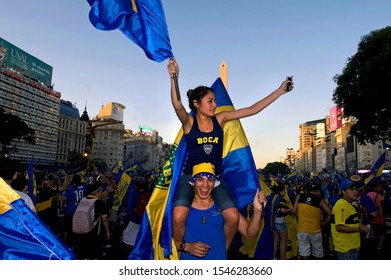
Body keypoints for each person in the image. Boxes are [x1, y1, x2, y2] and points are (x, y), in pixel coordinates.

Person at [167, 58, 293, 250]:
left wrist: (279, 91)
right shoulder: (189, 123)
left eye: (215, 101)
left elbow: (252, 110)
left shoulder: (221, 119)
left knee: (233, 217)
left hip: (214, 178)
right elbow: (177, 105)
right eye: (210, 101)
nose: (215, 104)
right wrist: (174, 76)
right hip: (190, 176)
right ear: (196, 104)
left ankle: (221, 250)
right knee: (178, 216)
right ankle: (181, 246)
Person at [175, 163, 267, 260]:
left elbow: (251, 234)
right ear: (193, 182)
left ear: (214, 183)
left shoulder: (224, 209)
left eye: (210, 180)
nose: (205, 185)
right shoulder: (182, 209)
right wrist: (187, 247)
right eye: (200, 179)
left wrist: (257, 211)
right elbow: (167, 243)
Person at [331, 179, 371, 260]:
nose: (355, 192)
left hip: (352, 248)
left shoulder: (348, 204)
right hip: (346, 250)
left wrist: (360, 227)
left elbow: (350, 223)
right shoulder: (341, 205)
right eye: (352, 189)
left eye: (356, 189)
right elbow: (339, 227)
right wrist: (358, 229)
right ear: (343, 191)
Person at [292, 182, 331, 259]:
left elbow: (293, 211)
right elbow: (329, 212)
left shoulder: (300, 196)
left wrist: (300, 217)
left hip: (302, 229)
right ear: (318, 191)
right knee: (318, 252)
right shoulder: (320, 200)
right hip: (315, 230)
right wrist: (325, 222)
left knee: (304, 251)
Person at [74, 180, 110, 260]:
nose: (101, 193)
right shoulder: (99, 203)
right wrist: (107, 231)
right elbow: (104, 219)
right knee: (93, 253)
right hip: (93, 232)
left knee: (83, 251)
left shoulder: (82, 200)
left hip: (80, 231)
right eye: (100, 191)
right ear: (96, 193)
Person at [61, 173, 87, 248]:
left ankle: (64, 245)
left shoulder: (70, 188)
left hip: (69, 211)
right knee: (77, 229)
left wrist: (63, 208)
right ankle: (74, 245)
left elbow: (64, 200)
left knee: (66, 229)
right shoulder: (84, 186)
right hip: (80, 211)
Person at [271, 182, 292, 260]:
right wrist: (291, 209)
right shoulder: (281, 198)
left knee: (275, 241)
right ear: (280, 191)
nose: (285, 192)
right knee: (283, 241)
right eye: (284, 190)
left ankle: (273, 257)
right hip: (280, 221)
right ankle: (282, 259)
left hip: (273, 222)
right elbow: (282, 210)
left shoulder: (273, 197)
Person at [367, 182, 386, 252]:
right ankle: (380, 245)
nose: (381, 189)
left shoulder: (367, 195)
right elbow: (380, 208)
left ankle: (373, 244)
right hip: (377, 218)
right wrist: (382, 219)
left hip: (370, 218)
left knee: (373, 231)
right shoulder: (379, 196)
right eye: (379, 187)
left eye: (381, 187)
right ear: (375, 188)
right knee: (382, 232)